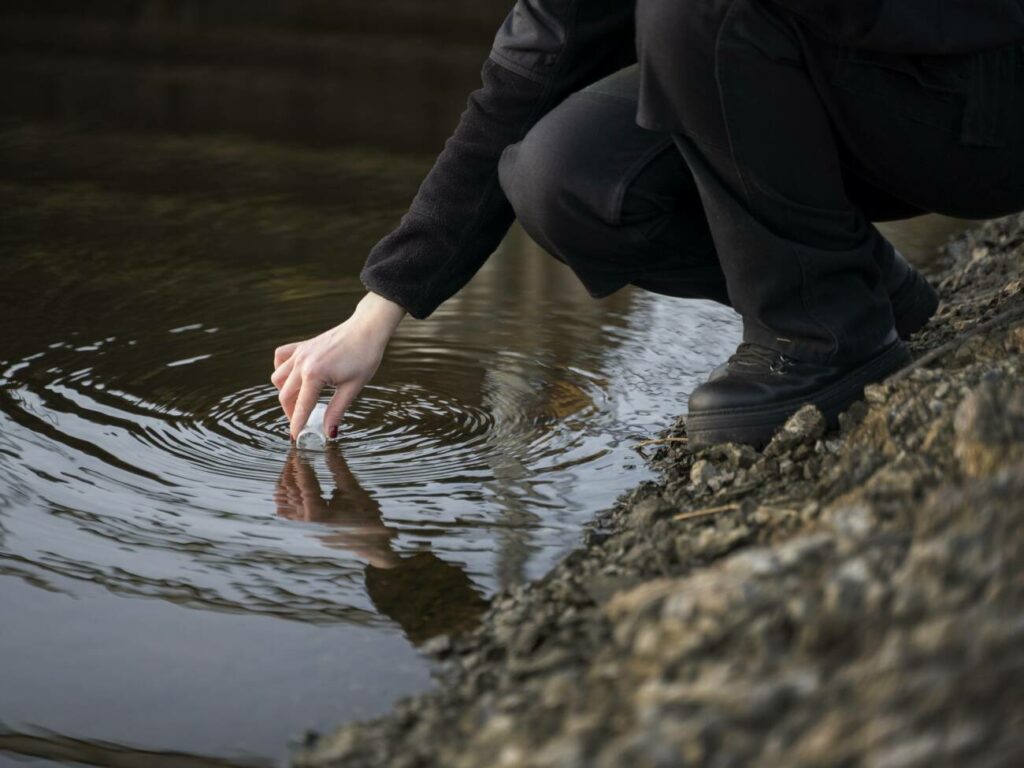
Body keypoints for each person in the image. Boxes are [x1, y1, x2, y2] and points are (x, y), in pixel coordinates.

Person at [272, 1, 1024, 447]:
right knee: (562, 175)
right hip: (845, 97)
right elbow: (521, 84)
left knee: (691, 9)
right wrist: (378, 311)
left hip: (979, 99)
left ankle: (822, 338)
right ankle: (852, 284)